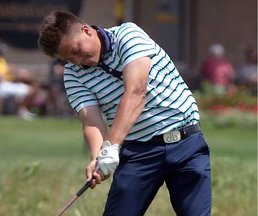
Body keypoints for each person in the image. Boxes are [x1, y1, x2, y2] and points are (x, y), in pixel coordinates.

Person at [38, 10, 212, 216]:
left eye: (76, 50)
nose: (77, 60)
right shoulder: (73, 74)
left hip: (186, 144)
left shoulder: (127, 35)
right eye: (69, 58)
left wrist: (110, 147)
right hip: (139, 152)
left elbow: (136, 92)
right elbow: (91, 120)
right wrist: (98, 157)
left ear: (86, 31)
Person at [0, 45, 38, 120]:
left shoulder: (1, 60)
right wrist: (7, 71)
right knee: (28, 90)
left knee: (28, 87)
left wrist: (15, 73)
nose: (0, 54)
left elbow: (7, 74)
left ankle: (21, 111)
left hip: (7, 83)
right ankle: (21, 111)